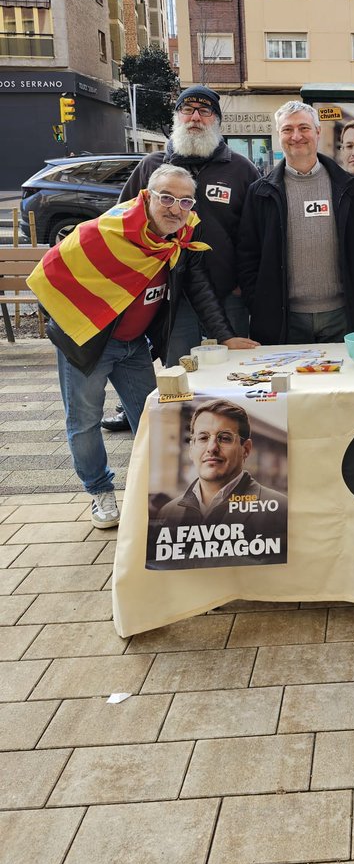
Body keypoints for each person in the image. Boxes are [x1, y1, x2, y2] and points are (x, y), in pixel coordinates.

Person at [28, 166, 257, 529]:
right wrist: (78, 321)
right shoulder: (106, 232)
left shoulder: (181, 237)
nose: (175, 208)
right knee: (84, 422)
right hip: (87, 344)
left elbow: (198, 287)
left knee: (154, 418)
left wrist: (225, 336)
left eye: (185, 201)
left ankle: (158, 490)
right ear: (148, 197)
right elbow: (49, 278)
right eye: (167, 198)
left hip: (133, 345)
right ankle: (100, 491)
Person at [103, 85, 260, 432]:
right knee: (180, 376)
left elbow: (256, 236)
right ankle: (183, 441)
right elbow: (121, 224)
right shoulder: (151, 167)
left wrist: (244, 285)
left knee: (236, 375)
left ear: (217, 120)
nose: (195, 118)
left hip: (230, 296)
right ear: (176, 118)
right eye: (187, 110)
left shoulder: (241, 169)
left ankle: (234, 439)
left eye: (204, 112)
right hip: (174, 300)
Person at [237, 101, 354, 343]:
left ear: (317, 132)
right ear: (279, 135)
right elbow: (248, 256)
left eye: (304, 128)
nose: (296, 136)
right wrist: (259, 301)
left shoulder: (350, 188)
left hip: (344, 317)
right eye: (287, 129)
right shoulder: (260, 193)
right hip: (284, 320)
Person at [155, 399, 286, 535]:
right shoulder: (168, 512)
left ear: (246, 449)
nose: (212, 448)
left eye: (224, 438)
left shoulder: (280, 509)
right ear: (191, 449)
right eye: (203, 438)